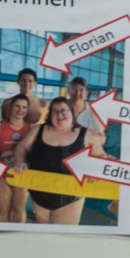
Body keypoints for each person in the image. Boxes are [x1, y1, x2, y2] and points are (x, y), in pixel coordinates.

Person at [23, 78, 94, 224]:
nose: (60, 114)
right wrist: (20, 161)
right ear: (50, 115)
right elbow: (22, 147)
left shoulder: (85, 134)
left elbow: (100, 156)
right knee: (42, 239)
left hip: (70, 199)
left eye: (63, 110)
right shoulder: (39, 130)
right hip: (39, 196)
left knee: (62, 241)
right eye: (55, 111)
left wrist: (95, 171)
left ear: (71, 113)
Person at [0, 70, 38, 223]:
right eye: (17, 106)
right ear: (10, 107)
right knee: (2, 208)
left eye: (24, 108)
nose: (20, 110)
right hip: (2, 171)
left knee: (19, 208)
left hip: (23, 171)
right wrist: (2, 169)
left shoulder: (33, 127)